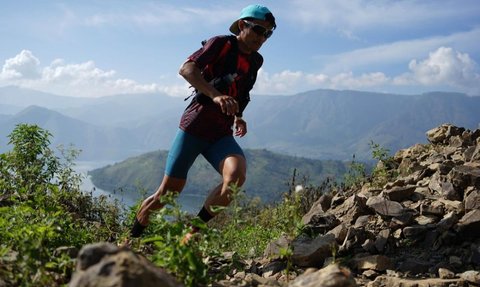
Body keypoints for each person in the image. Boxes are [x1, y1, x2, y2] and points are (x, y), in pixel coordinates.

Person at [129, 4, 276, 241]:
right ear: (242, 25)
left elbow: (243, 92)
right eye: (259, 30)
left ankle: (191, 234)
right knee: (167, 195)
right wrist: (215, 94)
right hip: (195, 127)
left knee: (235, 178)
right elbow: (186, 69)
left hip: (220, 132)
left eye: (268, 34)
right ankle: (131, 239)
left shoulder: (256, 61)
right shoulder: (221, 44)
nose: (262, 38)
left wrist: (239, 116)